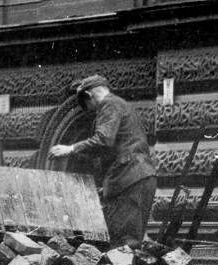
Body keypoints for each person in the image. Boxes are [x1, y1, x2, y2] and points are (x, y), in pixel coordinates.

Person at [48, 75, 157, 248]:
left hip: (130, 178)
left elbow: (103, 140)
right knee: (130, 241)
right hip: (140, 177)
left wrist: (70, 149)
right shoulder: (122, 105)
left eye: (88, 107)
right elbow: (107, 150)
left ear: (89, 96)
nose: (92, 112)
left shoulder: (109, 104)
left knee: (122, 244)